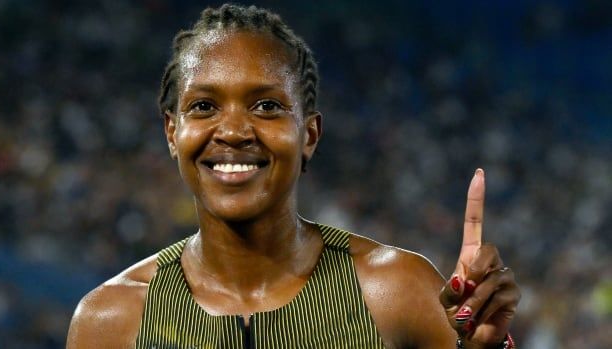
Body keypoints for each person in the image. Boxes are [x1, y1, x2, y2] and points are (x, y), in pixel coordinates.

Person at [66, 4, 520, 348]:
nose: (234, 131)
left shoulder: (396, 291)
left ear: (309, 134)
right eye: (204, 106)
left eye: (267, 106)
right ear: (172, 132)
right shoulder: (111, 321)